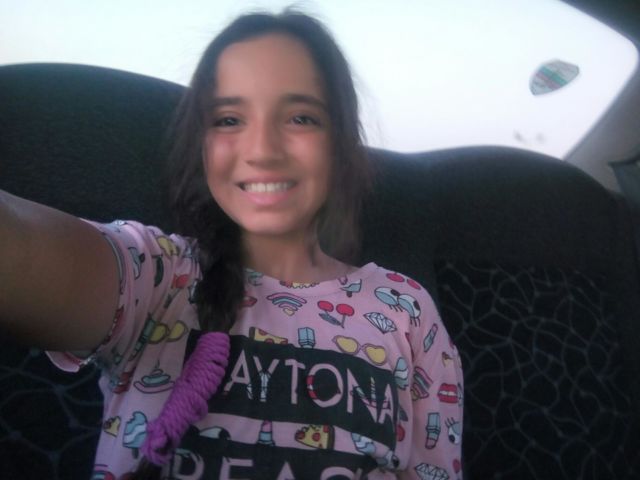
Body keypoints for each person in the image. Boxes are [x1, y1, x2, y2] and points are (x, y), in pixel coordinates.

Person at [0, 10, 464, 480]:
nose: (261, 150)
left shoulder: (405, 308)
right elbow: (22, 252)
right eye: (229, 119)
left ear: (340, 145)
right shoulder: (159, 274)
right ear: (203, 147)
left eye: (300, 117)